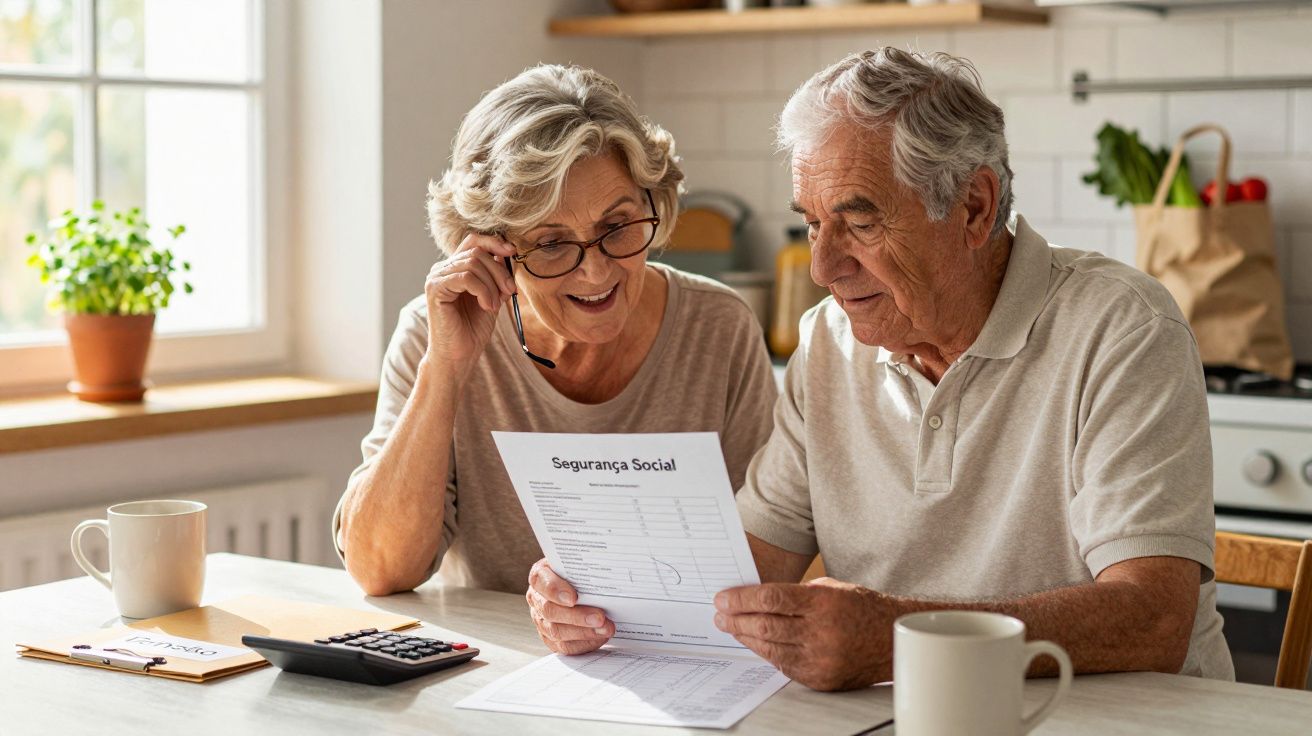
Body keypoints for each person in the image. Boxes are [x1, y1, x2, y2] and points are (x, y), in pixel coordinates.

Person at [527, 48, 1234, 688]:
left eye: (860, 223)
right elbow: (741, 576)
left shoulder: (1123, 328)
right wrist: (590, 598)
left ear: (975, 207)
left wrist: (904, 641)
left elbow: (1153, 618)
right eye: (812, 223)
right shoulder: (828, 343)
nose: (823, 267)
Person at [333, 65, 778, 652]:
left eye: (617, 226)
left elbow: (763, 564)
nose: (595, 272)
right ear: (490, 250)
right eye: (550, 243)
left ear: (655, 205)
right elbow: (380, 570)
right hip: (492, 665)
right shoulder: (433, 331)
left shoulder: (719, 328)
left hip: (679, 660)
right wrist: (446, 369)